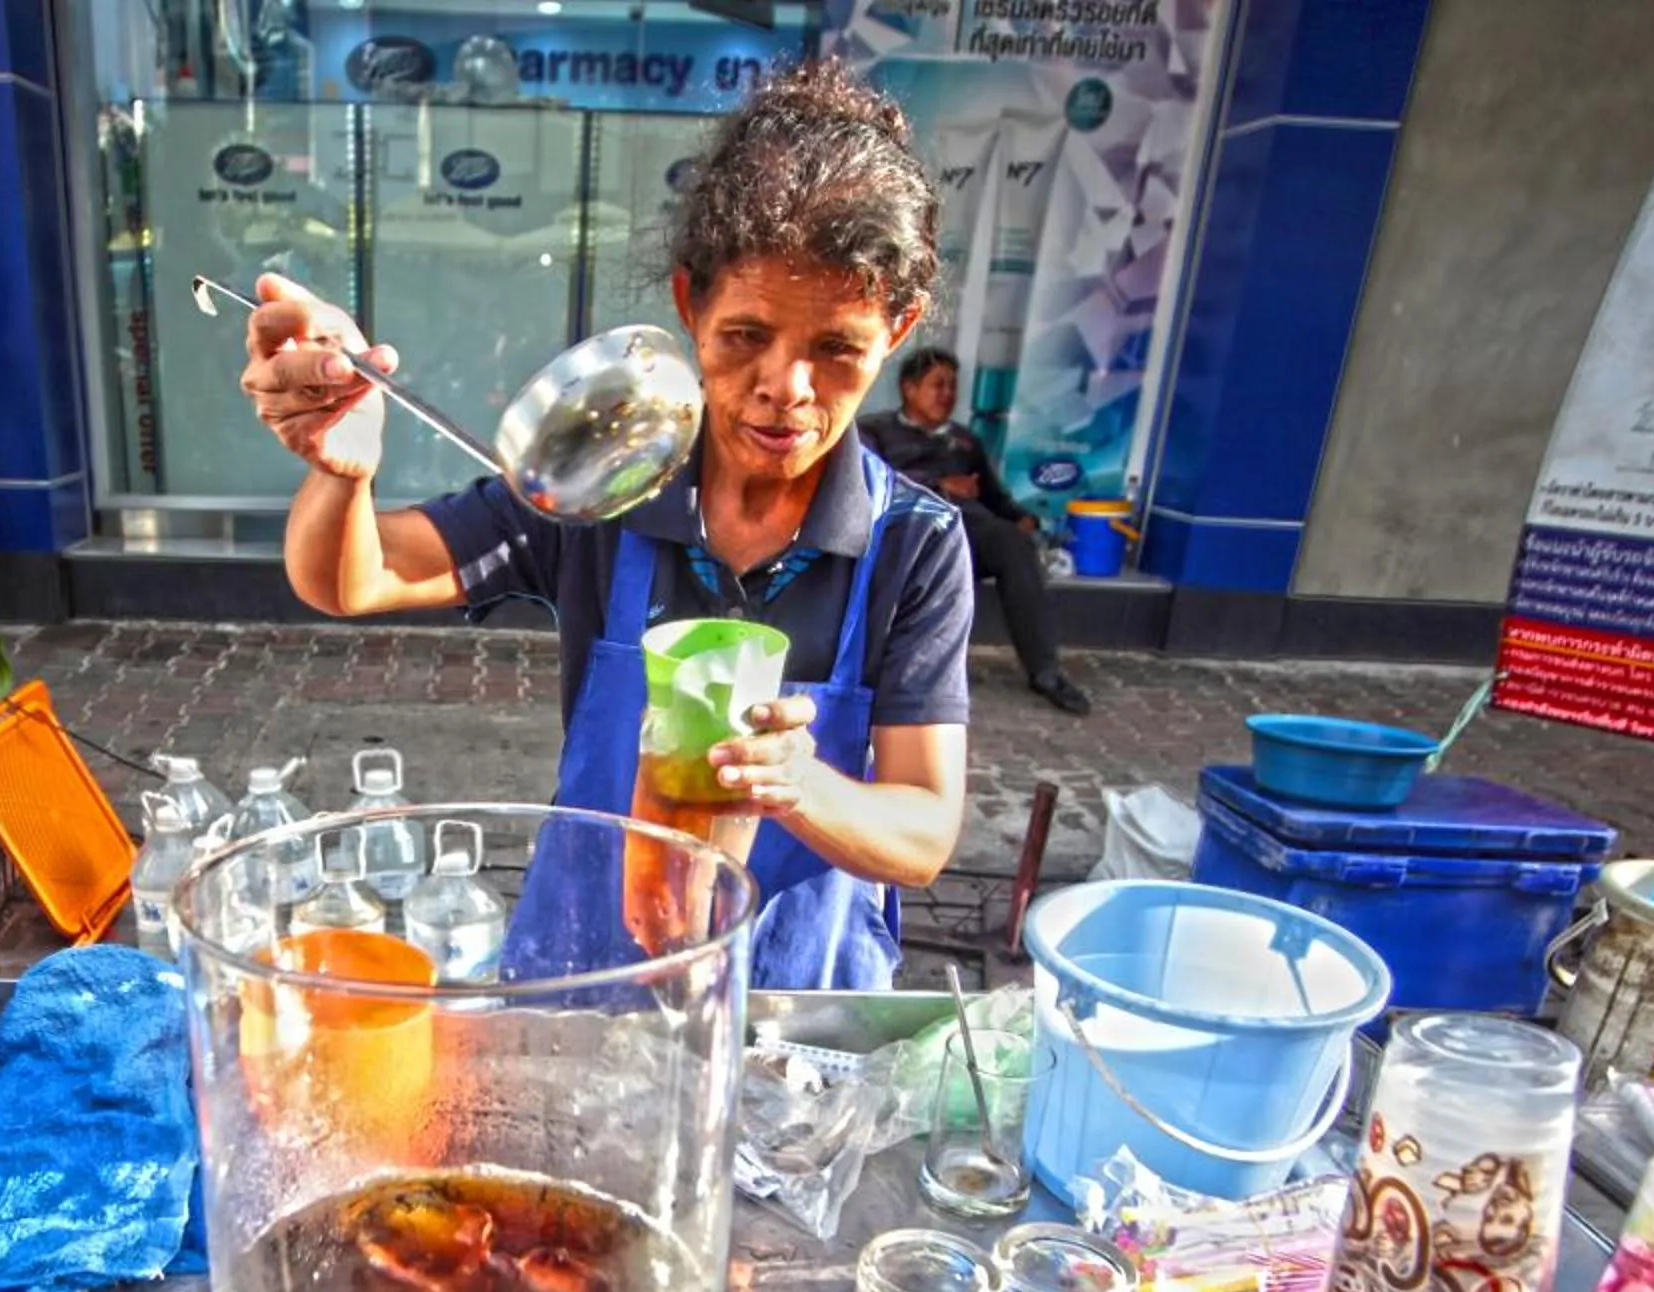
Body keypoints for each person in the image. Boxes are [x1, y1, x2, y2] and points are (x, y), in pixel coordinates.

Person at [237, 60, 973, 991]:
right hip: (585, 988)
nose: (785, 389)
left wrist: (796, 782)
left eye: (836, 350)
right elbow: (351, 579)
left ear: (897, 328)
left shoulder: (912, 543)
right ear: (688, 305)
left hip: (791, 1016)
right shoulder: (610, 479)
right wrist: (343, 472)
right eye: (745, 336)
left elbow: (922, 833)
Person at [861, 348, 1092, 715]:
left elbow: (995, 496)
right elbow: (867, 483)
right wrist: (939, 485)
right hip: (908, 529)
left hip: (971, 533)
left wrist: (1020, 517)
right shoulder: (875, 431)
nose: (947, 394)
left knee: (1013, 543)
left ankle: (1046, 671)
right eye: (937, 385)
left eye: (953, 386)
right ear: (908, 388)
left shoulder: (965, 440)